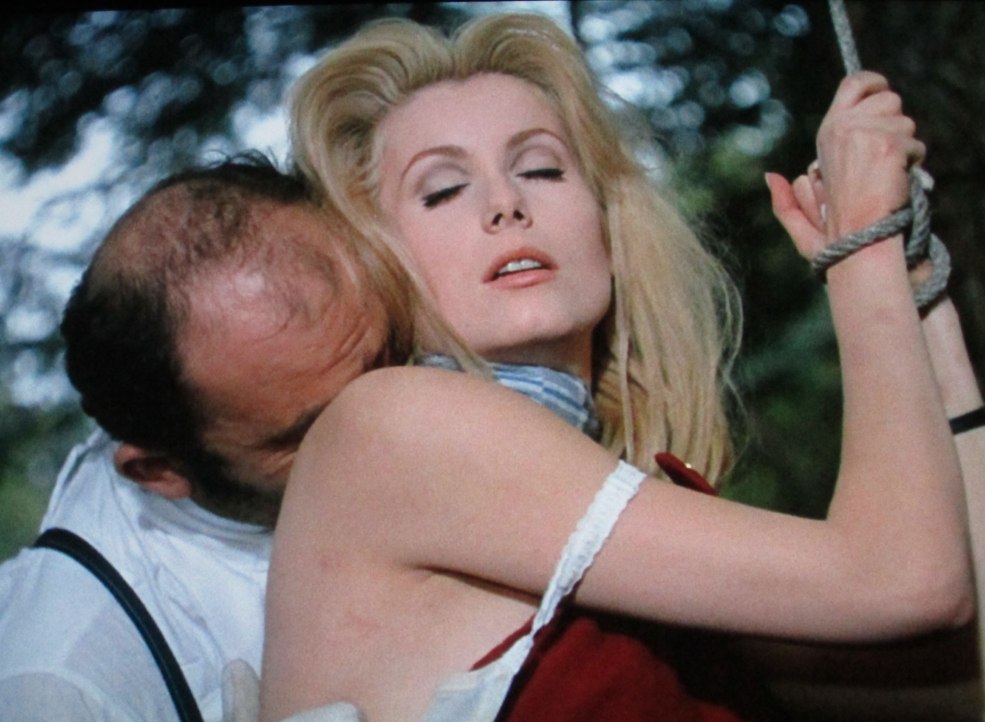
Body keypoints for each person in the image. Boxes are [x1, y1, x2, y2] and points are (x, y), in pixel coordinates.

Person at [258, 13, 982, 722]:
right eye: (442, 189)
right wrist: (861, 247)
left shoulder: (626, 523)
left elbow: (962, 680)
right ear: (376, 259)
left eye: (541, 168)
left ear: (606, 224)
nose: (506, 203)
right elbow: (902, 583)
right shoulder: (390, 427)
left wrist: (917, 294)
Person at [0, 154, 404, 722]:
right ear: (161, 472)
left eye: (389, 359)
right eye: (315, 430)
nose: (395, 419)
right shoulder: (69, 686)